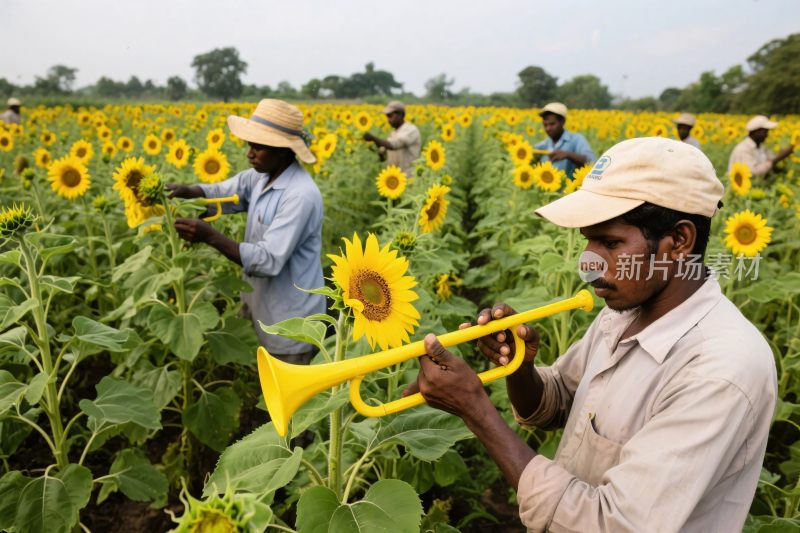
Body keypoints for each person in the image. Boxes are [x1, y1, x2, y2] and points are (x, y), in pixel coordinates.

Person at [405, 137, 776, 532]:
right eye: (589, 241)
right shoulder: (626, 312)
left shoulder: (720, 371)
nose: (589, 264)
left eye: (610, 243)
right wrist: (520, 368)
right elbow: (558, 404)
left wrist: (476, 410)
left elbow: (611, 524)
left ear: (679, 242)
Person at [167, 99, 326, 363]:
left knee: (286, 388)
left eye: (258, 147)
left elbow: (267, 260)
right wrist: (187, 192)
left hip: (290, 323)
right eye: (250, 145)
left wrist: (209, 236)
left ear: (283, 150)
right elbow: (221, 193)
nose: (249, 153)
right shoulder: (260, 176)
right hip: (261, 308)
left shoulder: (300, 195)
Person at [534, 102, 596, 178]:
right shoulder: (543, 145)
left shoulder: (576, 139)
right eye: (545, 125)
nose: (548, 128)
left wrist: (568, 155)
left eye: (552, 124)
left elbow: (592, 162)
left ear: (562, 121)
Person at [362, 100, 421, 176]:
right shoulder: (394, 133)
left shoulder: (411, 130)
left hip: (408, 176)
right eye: (387, 117)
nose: (388, 120)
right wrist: (375, 148)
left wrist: (373, 138)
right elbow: (383, 156)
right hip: (394, 178)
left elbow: (394, 145)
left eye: (390, 116)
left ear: (400, 115)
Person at [728, 115, 794, 177]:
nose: (767, 134)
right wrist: (778, 158)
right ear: (756, 132)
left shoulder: (761, 147)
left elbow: (770, 163)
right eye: (765, 131)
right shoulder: (743, 149)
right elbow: (753, 173)